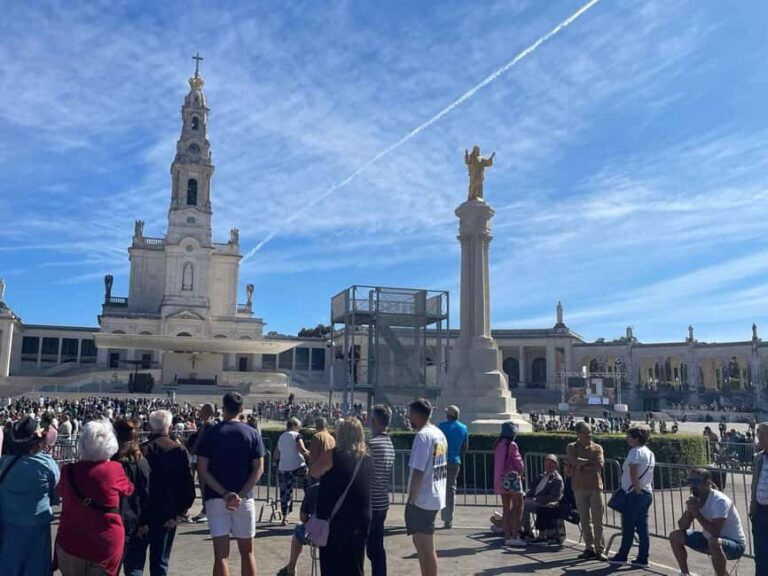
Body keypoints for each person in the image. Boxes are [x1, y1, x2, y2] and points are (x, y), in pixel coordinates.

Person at [197, 392, 264, 576]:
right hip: (244, 498)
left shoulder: (211, 433)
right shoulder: (252, 433)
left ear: (222, 408)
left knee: (221, 556)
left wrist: (225, 493)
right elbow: (258, 469)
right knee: (247, 552)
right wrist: (239, 495)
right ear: (241, 410)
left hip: (216, 498)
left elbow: (203, 469)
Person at [56, 420, 134, 576]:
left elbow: (60, 492)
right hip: (105, 542)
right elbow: (129, 489)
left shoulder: (68, 470)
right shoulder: (114, 469)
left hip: (72, 539)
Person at [128, 409, 196, 576]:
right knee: (160, 564)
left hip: (141, 517)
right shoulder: (179, 451)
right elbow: (187, 487)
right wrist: (179, 513)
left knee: (134, 565)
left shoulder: (139, 452)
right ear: (170, 427)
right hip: (166, 516)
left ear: (150, 427)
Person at [0, 416, 60, 575]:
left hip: (8, 525)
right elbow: (55, 496)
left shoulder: (3, 462)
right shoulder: (47, 464)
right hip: (36, 528)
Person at [277, 417, 335, 576]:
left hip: (307, 472)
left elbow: (312, 455)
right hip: (327, 477)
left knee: (290, 494)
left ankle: (291, 568)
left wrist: (311, 467)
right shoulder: (331, 437)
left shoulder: (316, 437)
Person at [315, 417, 373, 575]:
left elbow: (314, 471)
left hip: (335, 517)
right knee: (355, 564)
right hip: (361, 517)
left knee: (332, 565)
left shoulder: (333, 455)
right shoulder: (367, 458)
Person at [670, 468, 746, 576]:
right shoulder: (694, 499)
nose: (692, 485)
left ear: (707, 484)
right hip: (710, 539)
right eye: (689, 481)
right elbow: (682, 526)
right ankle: (684, 573)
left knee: (713, 542)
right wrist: (689, 512)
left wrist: (696, 513)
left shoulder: (719, 501)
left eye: (696, 482)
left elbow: (715, 531)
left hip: (734, 544)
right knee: (675, 536)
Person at [406, 399, 447, 576]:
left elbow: (418, 471)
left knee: (425, 546)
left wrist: (411, 498)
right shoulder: (438, 433)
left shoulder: (423, 436)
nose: (408, 417)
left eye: (410, 414)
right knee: (421, 544)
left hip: (423, 498)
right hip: (435, 493)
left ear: (416, 414)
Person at [609, 425, 655, 567]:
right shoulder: (649, 452)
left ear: (636, 438)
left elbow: (633, 472)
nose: (627, 439)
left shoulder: (635, 452)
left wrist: (636, 490)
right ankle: (642, 557)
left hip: (635, 493)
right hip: (646, 492)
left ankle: (622, 555)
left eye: (629, 436)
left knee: (628, 526)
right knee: (642, 527)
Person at [112, 418, 151, 576]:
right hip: (136, 521)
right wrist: (145, 521)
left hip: (114, 520)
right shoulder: (141, 463)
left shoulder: (111, 464)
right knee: (134, 568)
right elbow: (146, 494)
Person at [566, 421, 607, 561]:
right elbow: (572, 460)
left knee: (598, 520)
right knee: (584, 520)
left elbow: (599, 465)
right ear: (578, 434)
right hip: (578, 487)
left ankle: (599, 549)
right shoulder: (571, 447)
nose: (589, 435)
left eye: (590, 432)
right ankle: (588, 547)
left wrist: (580, 465)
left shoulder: (597, 448)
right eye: (585, 432)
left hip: (596, 487)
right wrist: (585, 463)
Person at [367, 404, 396, 576]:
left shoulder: (372, 444)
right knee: (376, 547)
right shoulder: (389, 443)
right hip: (382, 501)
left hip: (370, 502)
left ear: (373, 421)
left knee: (368, 547)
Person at [493, 421, 526, 547]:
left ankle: (507, 536)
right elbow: (519, 463)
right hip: (512, 479)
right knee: (519, 507)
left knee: (506, 509)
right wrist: (521, 472)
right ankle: (515, 535)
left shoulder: (498, 445)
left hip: (500, 480)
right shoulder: (512, 445)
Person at [274, 417, 310, 525]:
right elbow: (302, 450)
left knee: (285, 493)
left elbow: (276, 454)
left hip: (284, 467)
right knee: (309, 487)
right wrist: (312, 455)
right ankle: (309, 511)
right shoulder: (296, 436)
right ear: (295, 426)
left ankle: (284, 517)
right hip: (298, 465)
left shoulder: (281, 436)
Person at [437, 404, 468, 529]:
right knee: (450, 490)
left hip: (440, 460)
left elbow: (436, 444)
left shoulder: (441, 426)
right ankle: (448, 519)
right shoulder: (463, 428)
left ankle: (434, 516)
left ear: (448, 415)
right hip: (455, 461)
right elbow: (465, 448)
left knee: (438, 488)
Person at [522, 454, 563, 543]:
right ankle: (523, 530)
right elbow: (533, 489)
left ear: (556, 465)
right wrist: (526, 495)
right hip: (535, 501)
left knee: (523, 505)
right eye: (547, 463)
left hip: (546, 503)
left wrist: (536, 499)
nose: (548, 465)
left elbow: (553, 496)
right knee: (519, 502)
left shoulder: (557, 479)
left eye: (551, 463)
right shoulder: (541, 476)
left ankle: (527, 531)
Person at [189, 402, 215, 523]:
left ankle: (206, 510)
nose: (200, 412)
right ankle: (205, 510)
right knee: (202, 485)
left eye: (202, 410)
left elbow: (201, 441)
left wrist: (193, 451)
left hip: (202, 459)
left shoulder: (209, 425)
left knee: (204, 485)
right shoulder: (206, 424)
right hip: (200, 457)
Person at [751, 422, 768, 575]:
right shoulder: (758, 458)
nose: (760, 438)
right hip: (760, 512)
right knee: (760, 556)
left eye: (764, 434)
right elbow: (754, 485)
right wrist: (752, 508)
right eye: (759, 434)